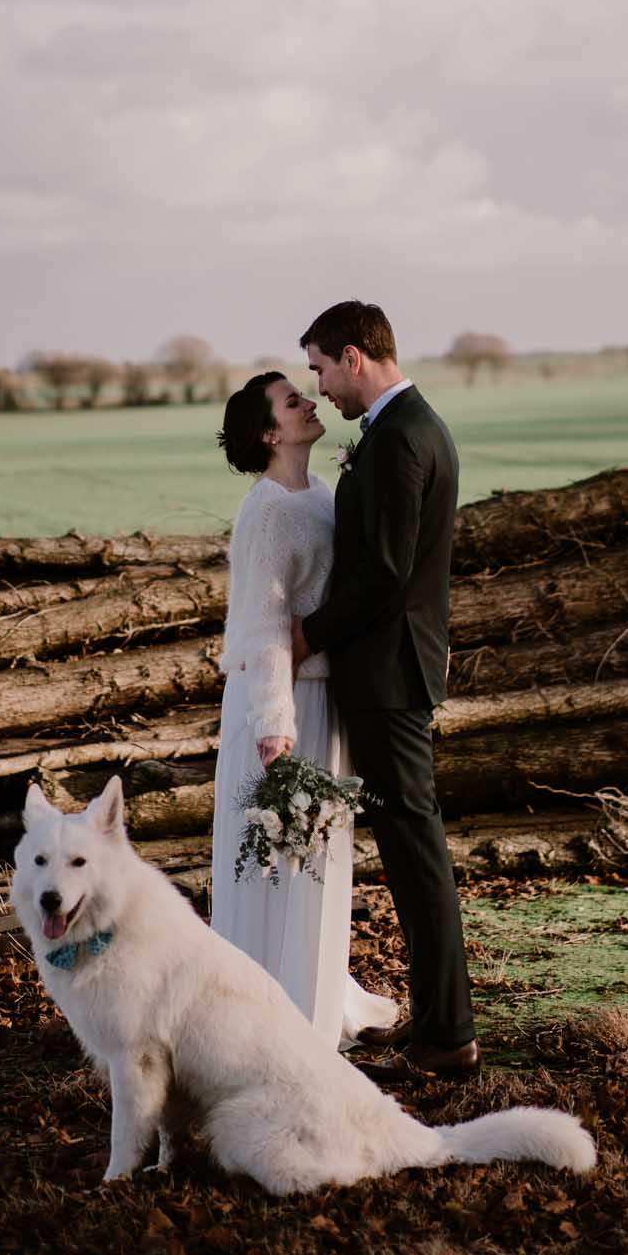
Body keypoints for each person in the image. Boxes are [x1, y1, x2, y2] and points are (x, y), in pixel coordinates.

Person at [292, 300, 478, 1082]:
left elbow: (385, 576)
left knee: (414, 846)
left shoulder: (402, 440)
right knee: (409, 843)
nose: (320, 386)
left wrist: (309, 635)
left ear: (355, 358)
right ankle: (439, 1024)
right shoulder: (402, 430)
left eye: (321, 368)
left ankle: (448, 1037)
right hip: (391, 669)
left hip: (389, 672)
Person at [210, 368, 399, 1050]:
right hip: (284, 704)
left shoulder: (318, 492)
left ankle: (312, 988)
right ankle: (270, 1011)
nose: (310, 402)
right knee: (277, 861)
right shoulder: (268, 510)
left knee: (314, 855)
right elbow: (261, 625)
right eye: (294, 402)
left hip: (321, 694)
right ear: (268, 433)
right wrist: (273, 724)